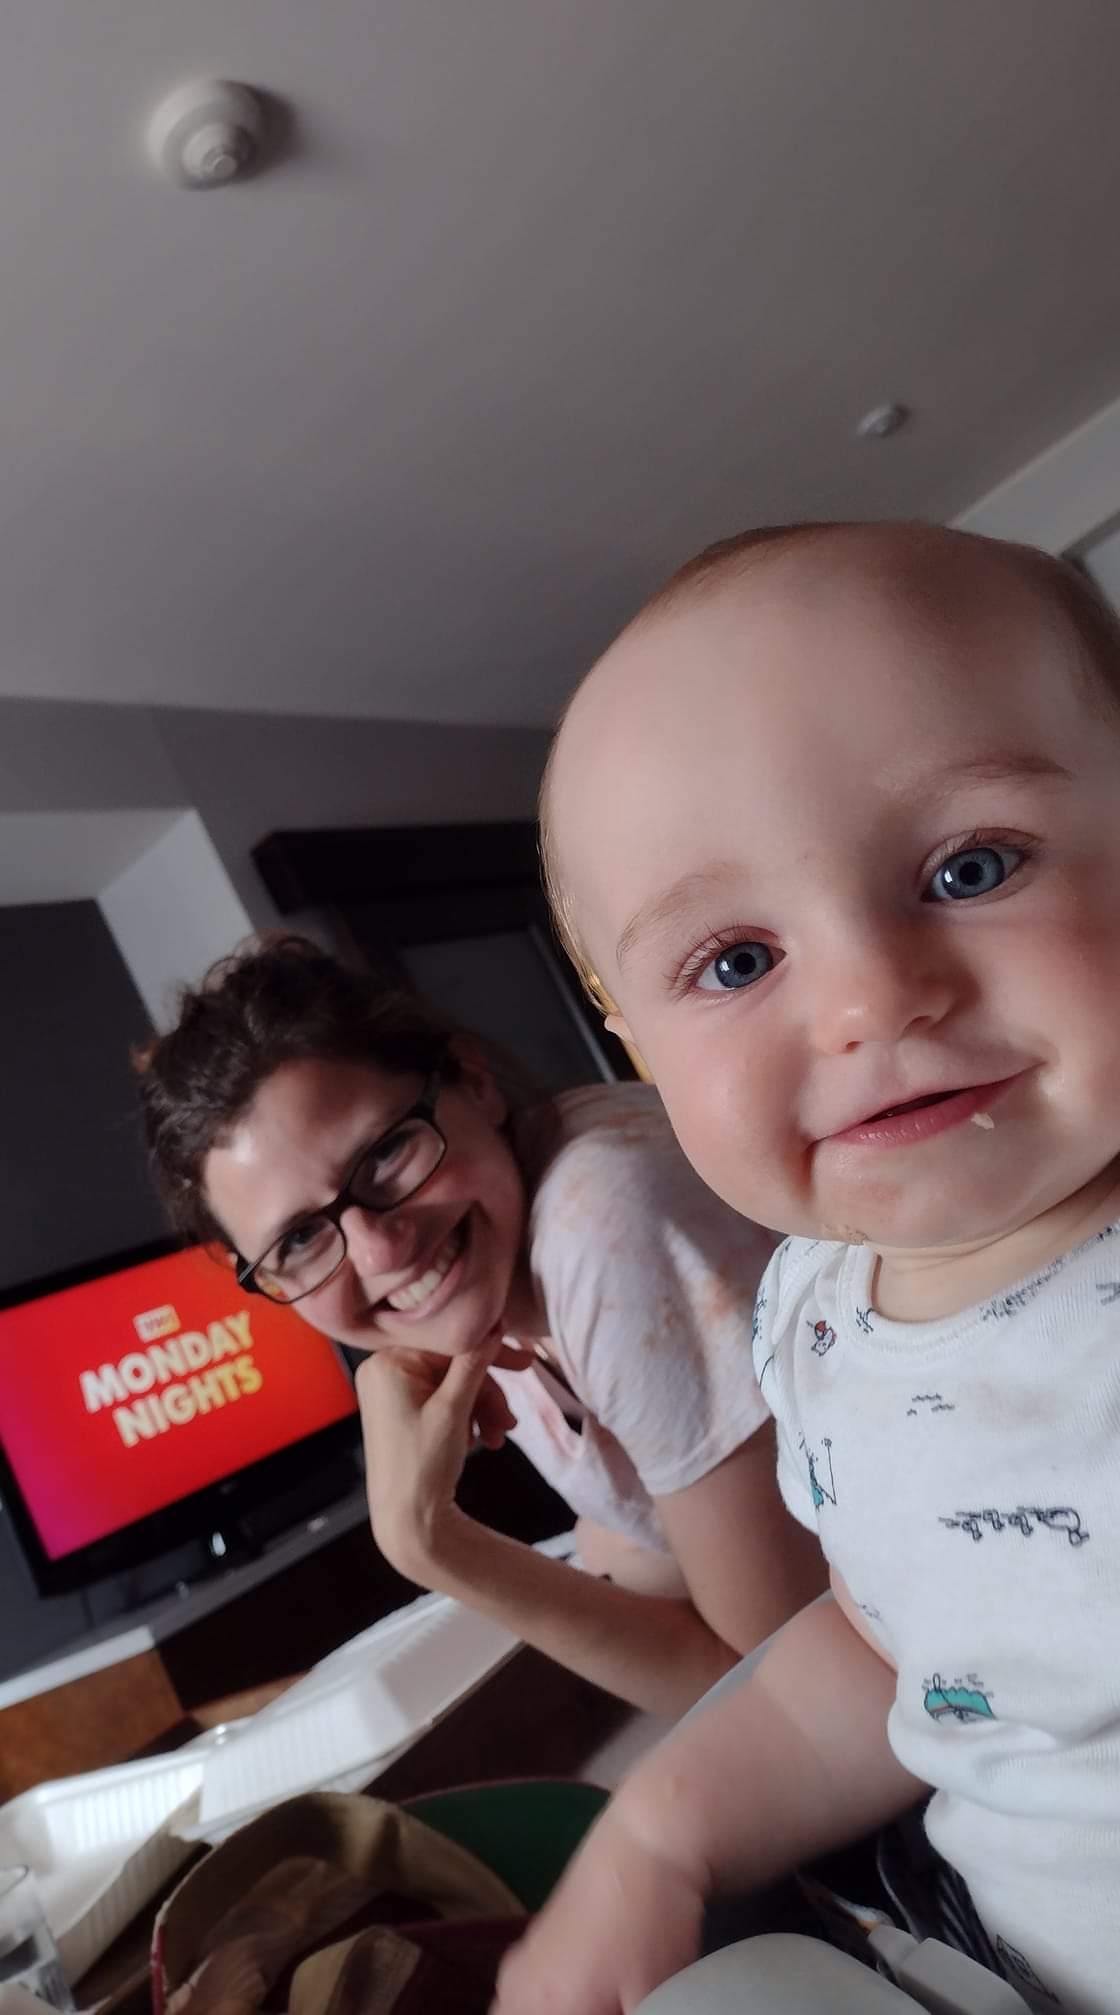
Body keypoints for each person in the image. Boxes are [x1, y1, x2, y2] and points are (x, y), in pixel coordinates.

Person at [495, 522, 1120, 2015]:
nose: (867, 994)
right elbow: (899, 1629)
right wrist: (658, 1828)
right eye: (733, 961)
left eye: (972, 864)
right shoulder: (816, 1318)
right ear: (631, 1049)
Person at [134, 935, 823, 1719]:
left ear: (472, 1078)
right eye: (299, 1239)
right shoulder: (496, 1279)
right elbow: (634, 1546)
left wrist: (429, 1541)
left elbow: (788, 1706)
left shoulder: (600, 1219)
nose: (381, 1247)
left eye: (386, 1153)